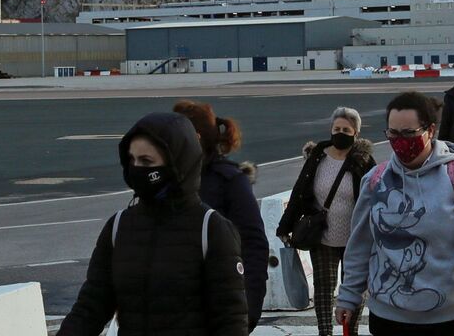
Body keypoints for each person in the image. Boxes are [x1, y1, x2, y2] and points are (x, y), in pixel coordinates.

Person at [57, 112, 248, 336]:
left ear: (177, 163)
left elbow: (230, 320)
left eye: (147, 161)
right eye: (132, 160)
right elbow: (90, 308)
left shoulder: (211, 229)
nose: (136, 168)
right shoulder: (119, 227)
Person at [336, 91, 454, 336]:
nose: (400, 141)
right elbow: (360, 244)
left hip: (452, 319)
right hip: (389, 318)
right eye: (393, 134)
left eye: (408, 134)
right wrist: (349, 295)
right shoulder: (375, 181)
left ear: (430, 130)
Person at [277, 108, 376, 336]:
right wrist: (286, 226)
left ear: (356, 132)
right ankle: (325, 332)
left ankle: (350, 331)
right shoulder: (318, 156)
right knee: (324, 289)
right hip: (322, 235)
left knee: (354, 289)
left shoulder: (363, 161)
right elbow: (300, 192)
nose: (340, 133)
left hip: (355, 238)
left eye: (346, 130)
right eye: (336, 129)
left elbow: (376, 195)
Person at [174, 100, 270, 331]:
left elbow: (253, 245)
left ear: (196, 138)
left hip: (215, 311)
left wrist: (248, 310)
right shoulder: (168, 180)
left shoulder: (229, 181)